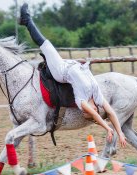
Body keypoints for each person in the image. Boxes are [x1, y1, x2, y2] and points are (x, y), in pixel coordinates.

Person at [19, 3, 127, 147]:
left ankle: (26, 20)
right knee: (46, 46)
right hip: (70, 64)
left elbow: (95, 116)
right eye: (89, 112)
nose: (87, 111)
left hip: (61, 71)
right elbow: (111, 113)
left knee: (45, 44)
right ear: (96, 108)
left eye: (85, 113)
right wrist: (119, 132)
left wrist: (107, 128)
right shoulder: (97, 97)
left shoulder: (81, 101)